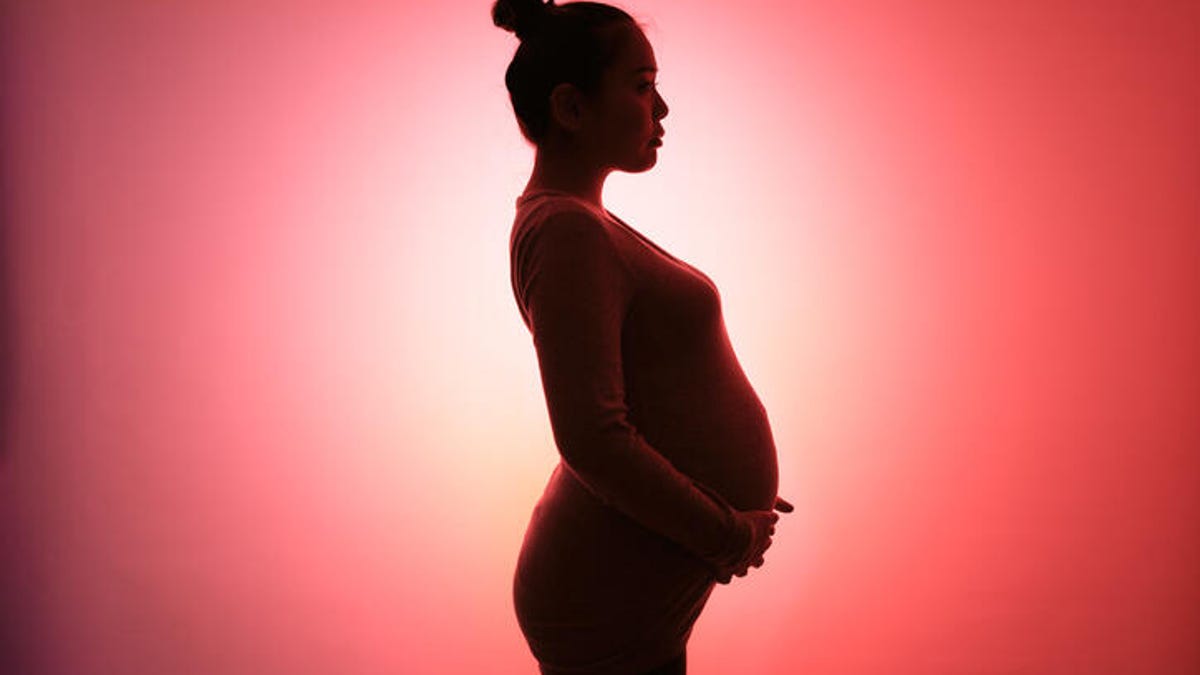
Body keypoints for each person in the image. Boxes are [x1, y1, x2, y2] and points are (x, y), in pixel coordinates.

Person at [494, 1, 794, 673]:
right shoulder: (566, 231)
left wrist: (728, 482)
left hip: (621, 585)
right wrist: (725, 530)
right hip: (600, 596)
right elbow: (592, 438)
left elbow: (653, 388)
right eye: (640, 85)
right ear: (571, 108)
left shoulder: (580, 225)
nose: (662, 109)